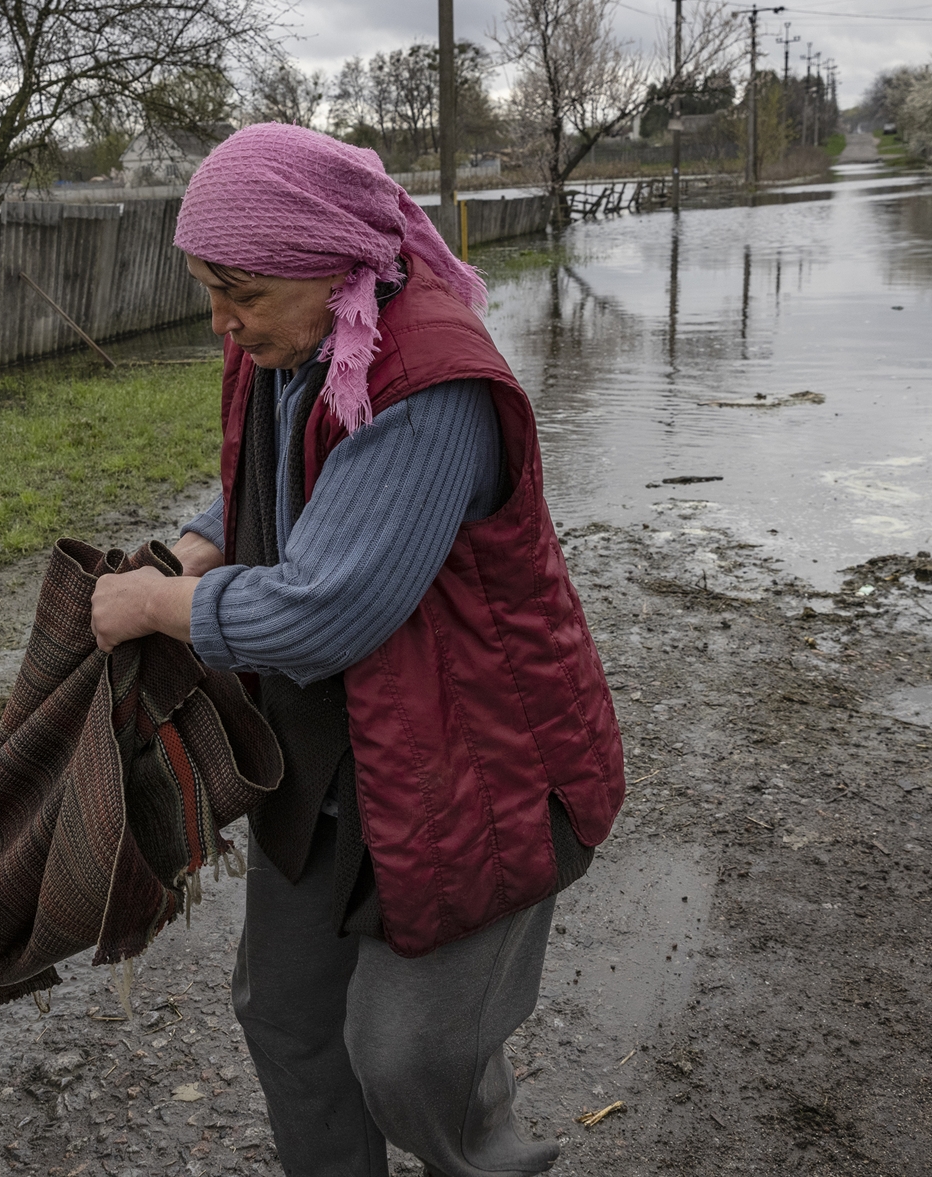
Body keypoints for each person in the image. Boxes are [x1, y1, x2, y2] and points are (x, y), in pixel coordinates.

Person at [91, 124, 624, 1177]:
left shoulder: (429, 384)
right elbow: (282, 478)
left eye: (238, 292)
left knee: (411, 1057)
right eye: (209, 290)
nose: (221, 322)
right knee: (284, 1015)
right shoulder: (296, 342)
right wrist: (202, 540)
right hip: (329, 765)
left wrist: (157, 602)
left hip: (469, 769)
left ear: (332, 263)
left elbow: (324, 611)